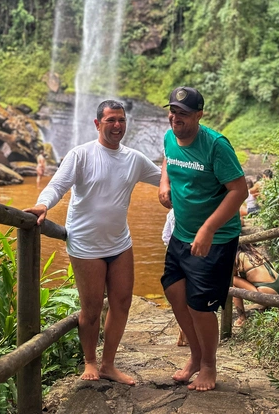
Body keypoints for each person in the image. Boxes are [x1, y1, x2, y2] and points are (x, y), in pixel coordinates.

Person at [24, 99, 161, 385]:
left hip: (119, 242)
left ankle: (109, 364)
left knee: (122, 303)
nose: (117, 125)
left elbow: (163, 180)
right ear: (97, 124)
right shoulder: (81, 154)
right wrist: (42, 204)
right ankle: (89, 361)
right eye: (110, 120)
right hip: (86, 244)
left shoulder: (134, 159)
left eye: (121, 120)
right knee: (92, 308)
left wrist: (176, 165)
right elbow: (58, 184)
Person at [159, 86, 248, 391]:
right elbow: (167, 160)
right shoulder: (170, 135)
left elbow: (239, 191)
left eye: (182, 114)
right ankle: (195, 356)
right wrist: (164, 184)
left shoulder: (216, 145)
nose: (175, 118)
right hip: (182, 233)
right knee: (173, 290)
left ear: (199, 115)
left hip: (216, 237)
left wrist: (208, 228)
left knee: (200, 304)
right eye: (172, 112)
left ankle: (209, 365)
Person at [233, 243, 279, 327]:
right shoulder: (252, 252)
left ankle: (241, 318)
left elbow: (233, 274)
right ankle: (265, 305)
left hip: (266, 291)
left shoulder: (237, 256)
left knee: (232, 280)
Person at [161, 209, 189, 347]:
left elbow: (165, 237)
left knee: (179, 298)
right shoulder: (193, 209)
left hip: (174, 254)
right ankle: (187, 334)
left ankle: (183, 334)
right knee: (192, 295)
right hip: (194, 254)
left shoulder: (172, 212)